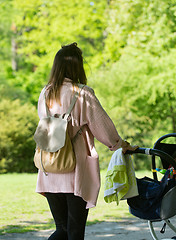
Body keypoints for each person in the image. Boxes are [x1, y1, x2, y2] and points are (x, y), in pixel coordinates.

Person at [35, 42, 138, 240]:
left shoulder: (45, 93)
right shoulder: (82, 93)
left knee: (62, 229)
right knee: (74, 231)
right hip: (75, 170)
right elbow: (104, 129)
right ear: (77, 66)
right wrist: (120, 145)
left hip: (49, 167)